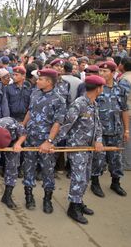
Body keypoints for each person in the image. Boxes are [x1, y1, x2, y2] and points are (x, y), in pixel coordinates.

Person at [57, 75, 105, 224]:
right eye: (102, 87)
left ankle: (79, 202)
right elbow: (66, 125)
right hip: (77, 147)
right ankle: (73, 207)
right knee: (78, 177)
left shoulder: (93, 103)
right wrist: (52, 143)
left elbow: (98, 126)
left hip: (89, 147)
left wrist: (98, 140)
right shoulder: (79, 104)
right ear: (98, 88)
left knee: (85, 176)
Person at [22, 69, 67, 214]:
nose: (37, 81)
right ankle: (29, 196)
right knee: (28, 167)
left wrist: (49, 141)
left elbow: (57, 123)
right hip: (30, 138)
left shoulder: (59, 99)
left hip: (45, 141)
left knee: (48, 169)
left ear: (48, 82)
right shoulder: (35, 93)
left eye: (40, 79)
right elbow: (30, 111)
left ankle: (47, 199)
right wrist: (22, 127)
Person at [90, 61, 129, 197]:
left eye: (105, 71)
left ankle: (115, 183)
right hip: (99, 132)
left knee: (116, 159)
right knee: (98, 159)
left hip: (116, 131)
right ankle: (95, 183)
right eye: (100, 71)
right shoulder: (96, 89)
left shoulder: (120, 90)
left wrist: (126, 130)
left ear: (113, 73)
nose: (101, 73)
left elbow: (124, 110)